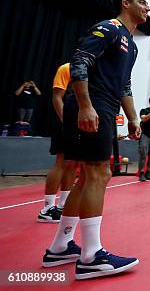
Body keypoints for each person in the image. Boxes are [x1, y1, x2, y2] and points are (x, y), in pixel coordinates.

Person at [42, 0, 149, 279]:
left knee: (91, 175)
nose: (147, 8)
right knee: (99, 174)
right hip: (92, 104)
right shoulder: (109, 28)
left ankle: (60, 246)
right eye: (142, 2)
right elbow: (79, 61)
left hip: (107, 106)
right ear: (125, 4)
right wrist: (86, 106)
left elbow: (124, 84)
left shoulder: (133, 44)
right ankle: (91, 256)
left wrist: (132, 117)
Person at [38, 63, 77, 222]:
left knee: (72, 163)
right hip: (64, 121)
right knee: (61, 161)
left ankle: (62, 206)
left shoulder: (92, 70)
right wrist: (66, 122)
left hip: (78, 121)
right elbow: (57, 97)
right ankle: (47, 208)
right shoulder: (66, 68)